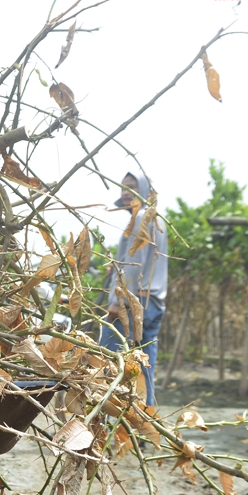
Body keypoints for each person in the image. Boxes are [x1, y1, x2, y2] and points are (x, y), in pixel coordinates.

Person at [99, 171, 168, 407]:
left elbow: (133, 265)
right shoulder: (156, 219)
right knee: (144, 369)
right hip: (153, 304)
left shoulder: (140, 220)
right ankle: (144, 421)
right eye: (123, 187)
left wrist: (117, 302)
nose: (125, 192)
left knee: (112, 366)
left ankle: (107, 423)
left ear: (146, 191)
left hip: (131, 305)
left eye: (132, 187)